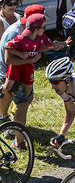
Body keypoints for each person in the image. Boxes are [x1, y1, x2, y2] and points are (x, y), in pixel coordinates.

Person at [1, 15, 67, 150]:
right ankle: (18, 143)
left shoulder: (40, 37)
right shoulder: (19, 37)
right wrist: (22, 56)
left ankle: (13, 129)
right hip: (15, 70)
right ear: (36, 29)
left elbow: (48, 46)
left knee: (28, 97)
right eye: (43, 27)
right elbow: (8, 50)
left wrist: (63, 44)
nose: (45, 29)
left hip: (28, 69)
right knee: (22, 103)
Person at [0, 5, 44, 127]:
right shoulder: (16, 32)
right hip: (8, 71)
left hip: (23, 69)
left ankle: (7, 120)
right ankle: (14, 132)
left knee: (28, 98)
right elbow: (8, 60)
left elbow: (38, 43)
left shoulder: (31, 29)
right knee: (21, 103)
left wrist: (54, 45)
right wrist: (33, 58)